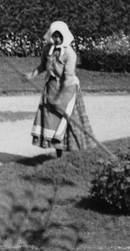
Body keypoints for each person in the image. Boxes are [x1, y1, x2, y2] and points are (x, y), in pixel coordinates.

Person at [23, 20, 93, 157]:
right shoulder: (47, 49)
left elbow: (68, 77)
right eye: (54, 36)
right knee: (52, 120)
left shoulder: (70, 53)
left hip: (67, 89)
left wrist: (60, 97)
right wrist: (31, 75)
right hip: (51, 87)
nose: (56, 39)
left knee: (67, 122)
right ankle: (58, 153)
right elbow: (43, 66)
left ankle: (77, 154)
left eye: (59, 36)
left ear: (65, 36)